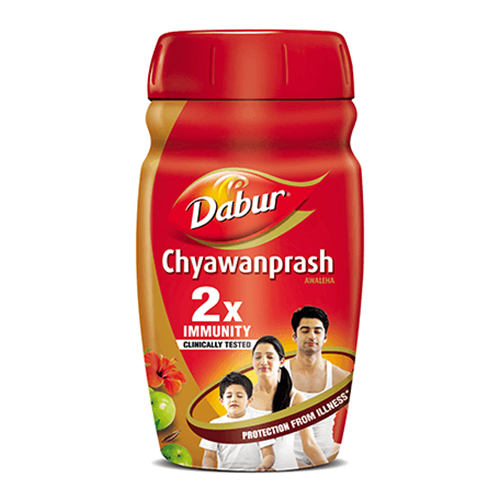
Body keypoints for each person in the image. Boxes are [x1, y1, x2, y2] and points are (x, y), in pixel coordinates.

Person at [285, 305, 351, 467]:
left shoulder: (340, 377)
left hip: (327, 457)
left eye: (317, 331)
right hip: (287, 460)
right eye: (305, 330)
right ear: (294, 335)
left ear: (325, 337)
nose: (312, 336)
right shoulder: (278, 375)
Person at [250, 335, 328, 470]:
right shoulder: (243, 396)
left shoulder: (295, 398)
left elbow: (309, 444)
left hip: (287, 472)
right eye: (257, 357)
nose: (263, 362)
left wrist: (328, 471)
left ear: (281, 362)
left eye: (270, 357)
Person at [199, 371, 275, 471]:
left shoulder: (258, 424)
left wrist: (262, 467)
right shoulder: (214, 425)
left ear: (249, 400)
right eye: (229, 396)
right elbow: (209, 456)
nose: (233, 399)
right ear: (221, 401)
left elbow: (269, 454)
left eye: (239, 396)